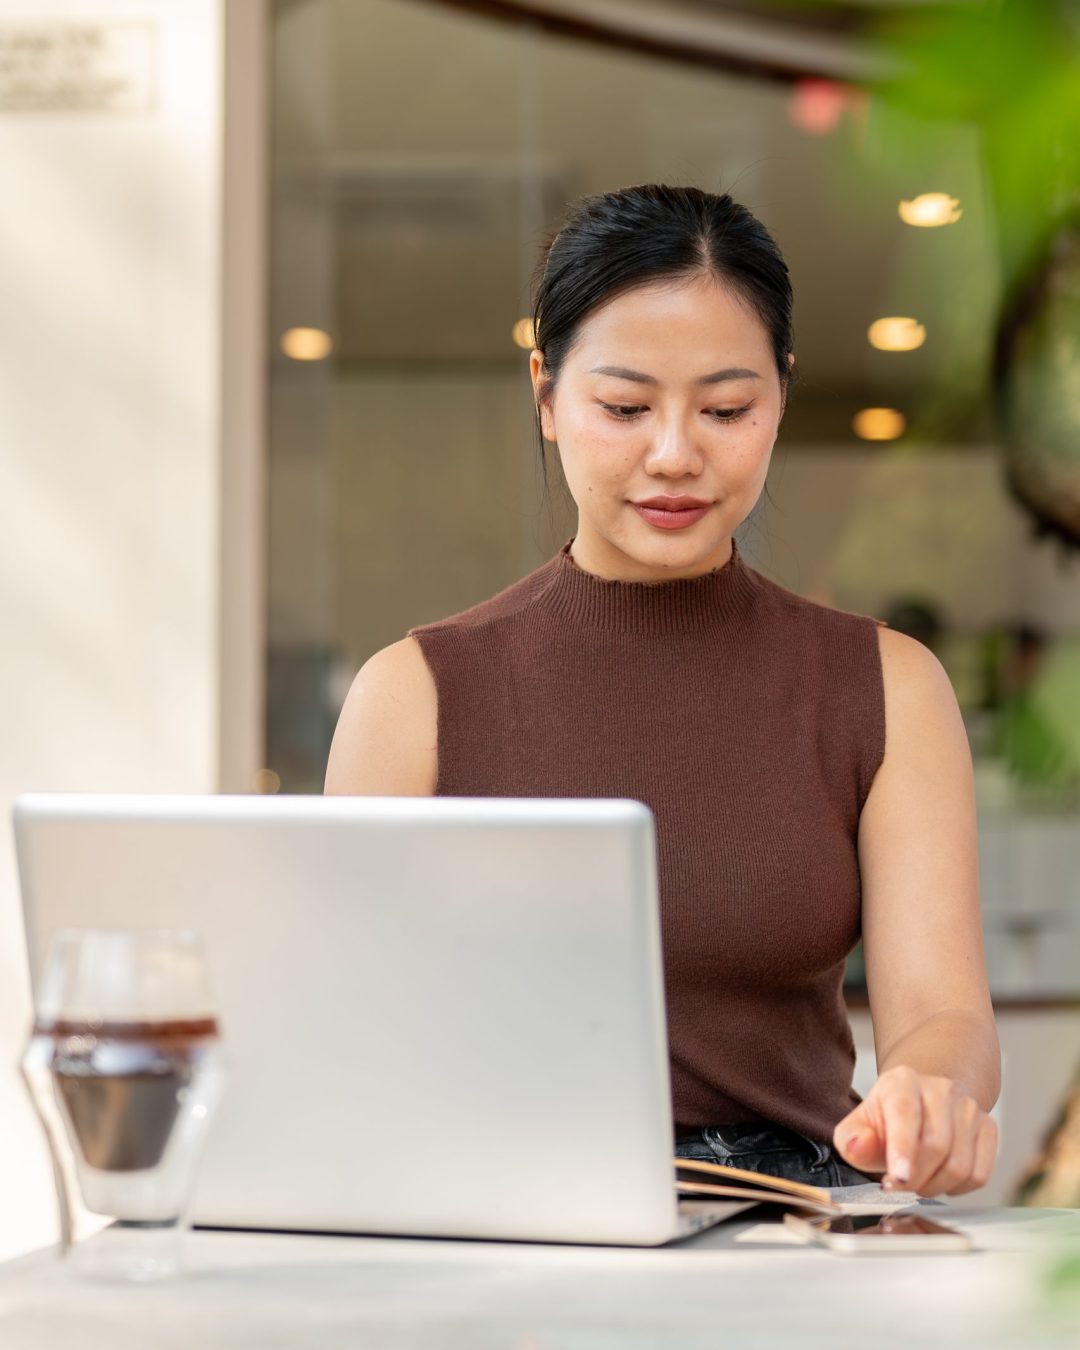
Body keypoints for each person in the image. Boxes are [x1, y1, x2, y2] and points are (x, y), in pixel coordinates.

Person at [325, 184, 1000, 1197]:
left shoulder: (885, 687)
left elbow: (944, 1015)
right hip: (498, 1226)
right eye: (625, 408)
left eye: (727, 409)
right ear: (547, 398)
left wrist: (927, 1093)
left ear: (780, 395)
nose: (676, 454)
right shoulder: (414, 695)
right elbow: (349, 1036)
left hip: (793, 1225)